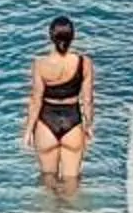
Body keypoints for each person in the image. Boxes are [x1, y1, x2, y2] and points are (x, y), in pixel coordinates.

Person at [23, 15, 94, 189]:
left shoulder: (40, 64)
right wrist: (88, 125)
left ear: (51, 37)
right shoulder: (84, 63)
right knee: (72, 183)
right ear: (72, 37)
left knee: (48, 181)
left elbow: (36, 100)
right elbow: (87, 99)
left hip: (46, 123)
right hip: (73, 121)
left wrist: (28, 130)